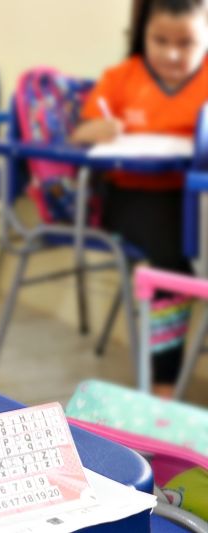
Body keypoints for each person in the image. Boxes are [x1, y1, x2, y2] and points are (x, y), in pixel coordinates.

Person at [70, 0, 208, 396]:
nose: (171, 53)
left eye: (187, 43)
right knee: (172, 256)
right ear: (143, 36)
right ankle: (164, 384)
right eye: (160, 40)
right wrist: (96, 130)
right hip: (132, 195)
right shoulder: (122, 77)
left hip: (193, 197)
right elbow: (81, 132)